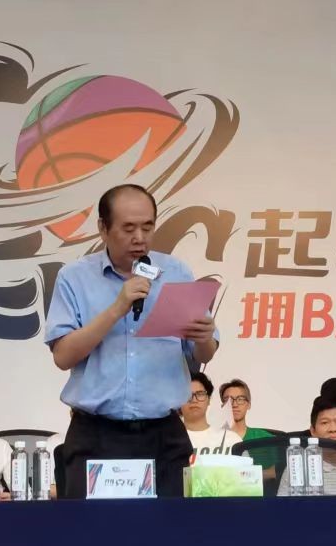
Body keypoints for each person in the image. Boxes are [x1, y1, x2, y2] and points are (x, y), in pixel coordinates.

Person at [43, 184, 219, 498]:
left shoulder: (176, 272)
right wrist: (117, 308)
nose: (140, 238)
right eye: (128, 228)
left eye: (147, 227)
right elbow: (63, 357)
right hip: (96, 435)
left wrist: (205, 338)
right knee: (92, 526)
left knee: (170, 525)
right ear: (103, 228)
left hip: (163, 435)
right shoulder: (75, 277)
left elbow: (201, 354)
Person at [181, 372, 241, 457]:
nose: (194, 400)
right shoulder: (168, 442)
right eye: (188, 395)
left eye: (200, 394)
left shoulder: (232, 440)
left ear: (209, 399)